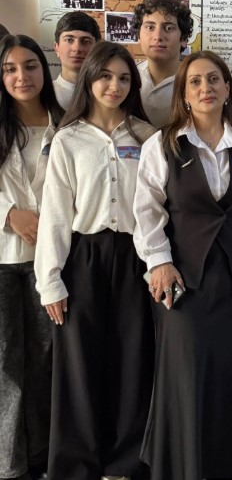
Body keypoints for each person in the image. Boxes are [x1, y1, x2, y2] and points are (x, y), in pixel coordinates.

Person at [133, 50, 232, 480]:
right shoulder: (162, 145)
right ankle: (182, 466)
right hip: (184, 281)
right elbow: (146, 212)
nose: (205, 88)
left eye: (214, 79)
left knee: (231, 375)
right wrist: (159, 263)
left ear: (228, 88)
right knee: (187, 375)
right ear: (184, 93)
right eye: (195, 81)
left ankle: (222, 466)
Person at [34, 41, 156, 480]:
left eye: (123, 78)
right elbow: (55, 214)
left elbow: (156, 207)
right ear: (89, 79)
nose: (114, 86)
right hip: (83, 256)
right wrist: (50, 280)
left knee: (133, 358)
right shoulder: (68, 139)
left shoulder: (147, 136)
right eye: (105, 76)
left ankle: (125, 460)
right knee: (79, 363)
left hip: (136, 258)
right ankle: (76, 463)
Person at [0, 34, 64, 480]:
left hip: (51, 262)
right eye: (9, 69)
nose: (21, 76)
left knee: (45, 360)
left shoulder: (67, 124)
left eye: (30, 66)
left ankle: (40, 456)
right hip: (4, 258)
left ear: (45, 69)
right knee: (6, 363)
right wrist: (9, 214)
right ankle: (10, 465)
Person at [131, 0, 193, 127]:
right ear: (138, 36)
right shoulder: (127, 77)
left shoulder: (196, 80)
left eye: (168, 28)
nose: (158, 36)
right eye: (150, 27)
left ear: (183, 39)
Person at [53, 10, 101, 109]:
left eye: (86, 41)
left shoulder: (108, 94)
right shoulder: (44, 95)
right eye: (69, 40)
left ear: (97, 48)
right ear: (56, 48)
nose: (77, 48)